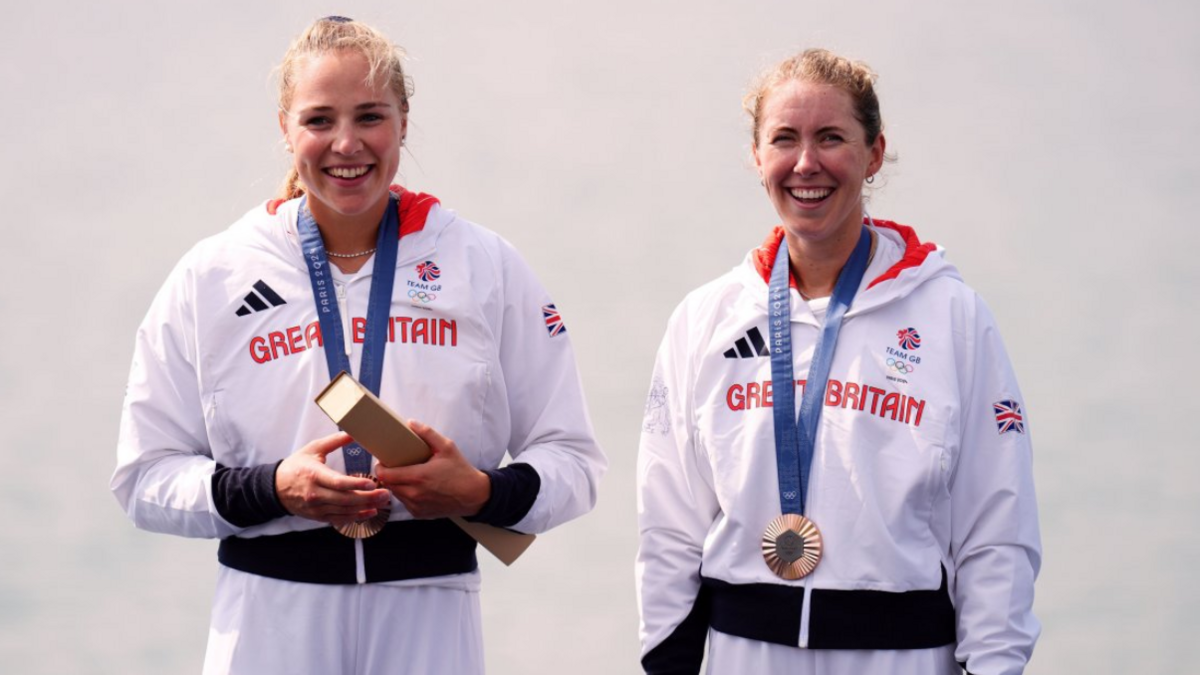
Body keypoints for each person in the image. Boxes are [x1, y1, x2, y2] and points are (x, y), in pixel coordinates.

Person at [111, 16, 605, 675]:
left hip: (428, 612)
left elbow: (574, 461)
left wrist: (480, 491)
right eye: (319, 120)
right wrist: (272, 487)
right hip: (269, 616)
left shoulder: (483, 265)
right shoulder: (213, 275)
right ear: (285, 127)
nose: (347, 144)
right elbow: (143, 478)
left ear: (403, 119)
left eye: (370, 116)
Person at [636, 49, 1040, 675]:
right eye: (784, 140)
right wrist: (667, 661)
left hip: (902, 657)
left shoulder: (952, 316)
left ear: (874, 153)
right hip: (743, 654)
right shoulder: (705, 318)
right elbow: (668, 523)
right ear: (757, 156)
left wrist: (995, 665)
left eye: (831, 138)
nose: (806, 164)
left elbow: (996, 527)